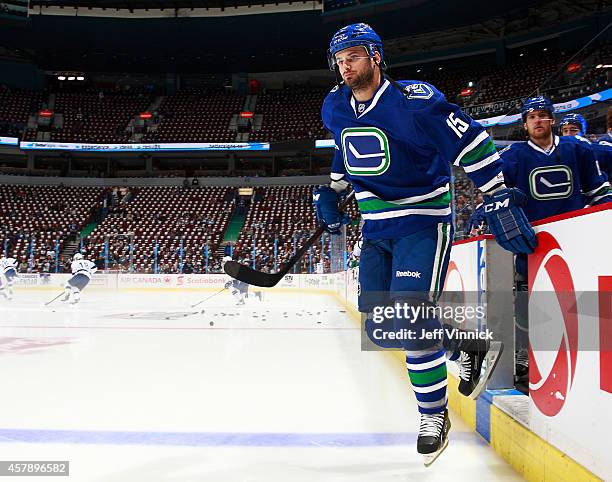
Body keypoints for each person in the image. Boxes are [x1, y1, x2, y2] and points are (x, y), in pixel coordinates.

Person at [314, 23, 536, 466]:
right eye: (339, 59)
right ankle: (466, 347)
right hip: (376, 225)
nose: (345, 65)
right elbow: (345, 148)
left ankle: (433, 416)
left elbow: (470, 140)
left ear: (376, 56)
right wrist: (334, 189)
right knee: (382, 325)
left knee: (410, 311)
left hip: (422, 219)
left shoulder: (415, 100)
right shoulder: (334, 104)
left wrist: (495, 193)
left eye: (354, 55)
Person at [500, 97, 611, 392]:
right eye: (531, 117)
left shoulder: (579, 149)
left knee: (579, 302)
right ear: (524, 124)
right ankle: (525, 360)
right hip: (532, 245)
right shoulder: (512, 156)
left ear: (552, 120)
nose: (537, 120)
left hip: (575, 241)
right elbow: (500, 201)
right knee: (528, 304)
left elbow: (599, 193)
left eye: (542, 115)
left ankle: (585, 361)